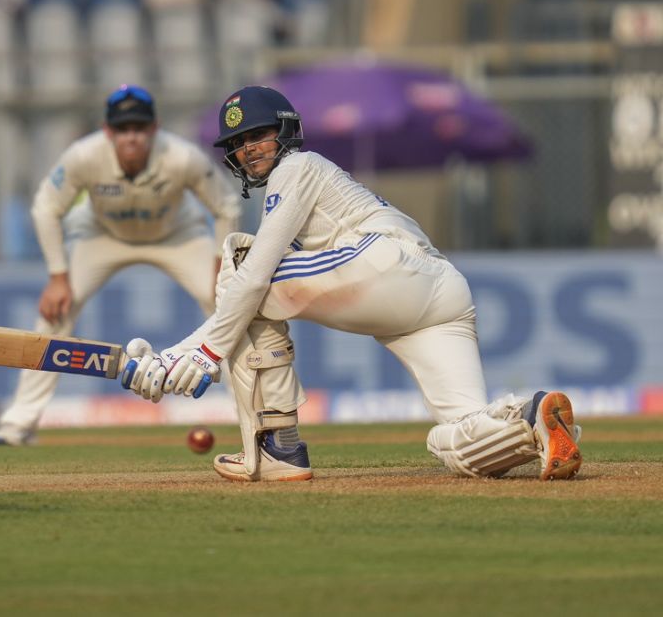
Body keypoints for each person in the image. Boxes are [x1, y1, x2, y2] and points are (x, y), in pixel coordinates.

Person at [120, 85, 584, 483]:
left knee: (241, 258)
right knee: (456, 443)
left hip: (386, 263)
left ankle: (278, 448)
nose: (249, 149)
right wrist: (180, 357)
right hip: (442, 294)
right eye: (239, 143)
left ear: (284, 132)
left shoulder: (297, 167)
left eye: (258, 135)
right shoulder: (301, 178)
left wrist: (192, 355)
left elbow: (256, 274)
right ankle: (529, 418)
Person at [0, 85, 242, 446]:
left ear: (154, 129)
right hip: (102, 235)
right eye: (123, 130)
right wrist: (58, 276)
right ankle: (18, 423)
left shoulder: (182, 158)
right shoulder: (83, 157)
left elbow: (226, 207)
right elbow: (46, 207)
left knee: (230, 305)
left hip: (177, 235)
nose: (132, 137)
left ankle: (253, 412)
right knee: (56, 310)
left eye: (139, 128)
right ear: (108, 132)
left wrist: (220, 264)